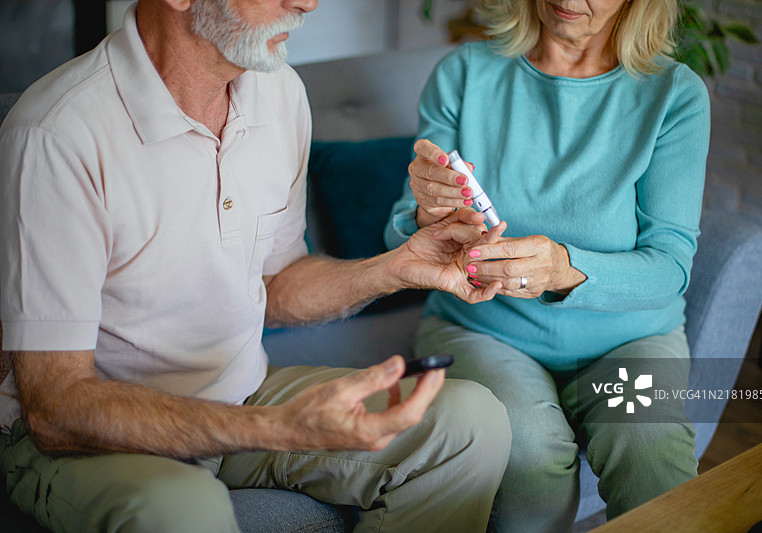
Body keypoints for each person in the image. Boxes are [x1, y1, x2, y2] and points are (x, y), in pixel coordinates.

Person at [0, 1, 514, 532]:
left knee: (470, 424)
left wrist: (400, 265)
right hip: (98, 441)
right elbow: (55, 407)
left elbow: (279, 283)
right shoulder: (56, 133)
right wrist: (277, 428)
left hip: (242, 393)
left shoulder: (278, 90)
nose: (307, 3)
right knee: (182, 511)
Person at [385, 0, 710, 531]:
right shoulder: (465, 72)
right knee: (528, 456)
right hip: (485, 327)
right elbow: (398, 232)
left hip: (629, 337)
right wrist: (427, 212)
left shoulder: (674, 94)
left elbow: (670, 267)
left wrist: (563, 270)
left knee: (651, 452)